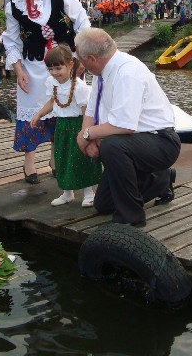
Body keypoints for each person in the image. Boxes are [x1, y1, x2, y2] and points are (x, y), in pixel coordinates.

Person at [75, 27, 180, 226]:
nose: (80, 64)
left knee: (112, 146)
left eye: (81, 59)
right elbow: (91, 109)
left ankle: (132, 217)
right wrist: (86, 134)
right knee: (103, 204)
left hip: (160, 142)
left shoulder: (127, 72)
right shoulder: (101, 72)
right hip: (135, 143)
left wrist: (88, 134)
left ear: (92, 58)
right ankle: (161, 181)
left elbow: (123, 125)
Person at [0, 0, 90, 184]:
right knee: (32, 112)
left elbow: (81, 21)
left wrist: (80, 58)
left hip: (65, 63)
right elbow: (11, 41)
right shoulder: (13, 5)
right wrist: (18, 70)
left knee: (63, 111)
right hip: (33, 66)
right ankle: (29, 163)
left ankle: (54, 159)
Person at [30, 44, 101, 207]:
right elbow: (52, 101)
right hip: (61, 125)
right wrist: (39, 114)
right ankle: (67, 193)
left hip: (77, 124)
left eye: (58, 68)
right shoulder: (51, 83)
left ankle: (89, 193)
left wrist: (86, 132)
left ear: (70, 65)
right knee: (62, 158)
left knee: (80, 158)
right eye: (50, 69)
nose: (54, 73)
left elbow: (86, 110)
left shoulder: (79, 86)